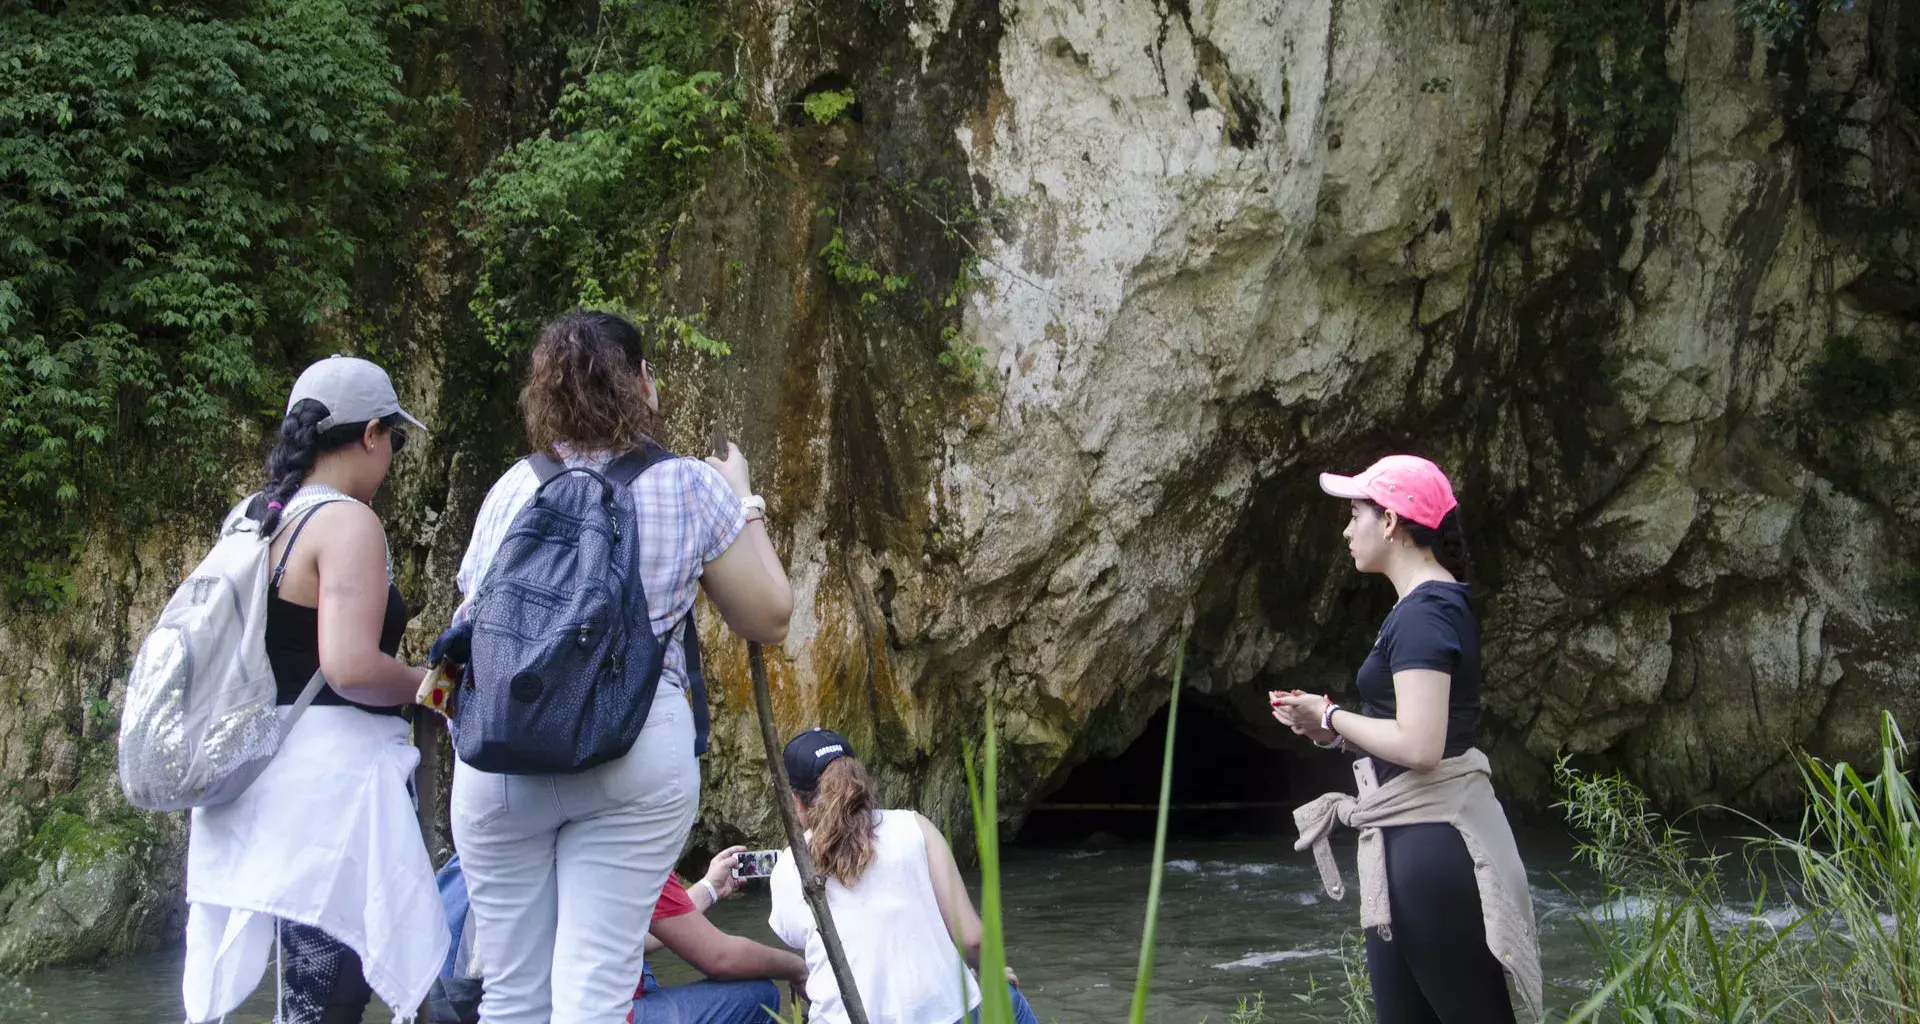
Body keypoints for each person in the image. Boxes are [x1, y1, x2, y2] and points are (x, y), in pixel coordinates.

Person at [449, 310, 795, 1024]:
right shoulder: (689, 485)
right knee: (595, 994)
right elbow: (768, 616)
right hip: (631, 756)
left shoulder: (511, 489)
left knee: (511, 995)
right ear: (642, 383)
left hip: (498, 759)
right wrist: (744, 499)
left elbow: (468, 632)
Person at [182, 355, 447, 1024]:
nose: (391, 455)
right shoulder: (345, 522)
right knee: (330, 994)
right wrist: (437, 690)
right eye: (394, 439)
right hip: (330, 788)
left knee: (307, 994)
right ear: (370, 434)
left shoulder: (255, 516)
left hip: (257, 773)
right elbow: (351, 667)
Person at [1272, 455, 1541, 1024]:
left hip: (1429, 851)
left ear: (1390, 521)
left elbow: (1421, 746)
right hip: (1408, 844)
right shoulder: (1429, 607)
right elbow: (1409, 736)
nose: (1347, 530)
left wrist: (1333, 712)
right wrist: (1328, 728)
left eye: (1355, 514)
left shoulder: (1423, 614)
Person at [768, 729, 1042, 1024]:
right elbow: (973, 939)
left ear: (795, 800)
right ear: (857, 780)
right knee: (1005, 996)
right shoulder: (916, 827)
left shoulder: (790, 866)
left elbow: (801, 942)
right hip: (948, 1015)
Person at [428, 847, 807, 1024]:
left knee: (640, 966)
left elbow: (621, 939)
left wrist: (707, 888)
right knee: (760, 995)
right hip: (588, 1014)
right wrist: (797, 968)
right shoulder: (624, 840)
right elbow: (719, 958)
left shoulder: (515, 828)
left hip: (492, 1006)